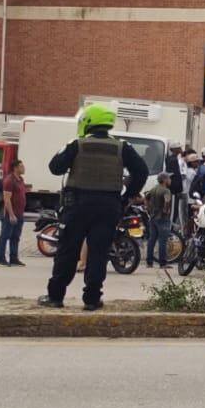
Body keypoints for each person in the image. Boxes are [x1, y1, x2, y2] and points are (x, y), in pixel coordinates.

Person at [39, 104, 150, 310]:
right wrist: (127, 197)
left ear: (87, 122)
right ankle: (91, 299)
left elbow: (55, 168)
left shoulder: (77, 144)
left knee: (67, 251)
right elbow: (142, 171)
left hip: (77, 206)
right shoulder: (122, 147)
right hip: (108, 207)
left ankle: (55, 296)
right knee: (99, 253)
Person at [0, 159, 28, 267]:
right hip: (10, 214)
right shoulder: (9, 180)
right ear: (15, 168)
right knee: (5, 236)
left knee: (15, 237)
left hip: (19, 213)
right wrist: (11, 214)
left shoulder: (20, 179)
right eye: (21, 166)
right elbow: (7, 199)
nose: (23, 168)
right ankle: (1, 259)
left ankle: (14, 258)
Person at [144, 172, 174, 269]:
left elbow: (146, 198)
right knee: (162, 241)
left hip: (153, 217)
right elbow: (167, 201)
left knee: (151, 240)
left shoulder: (154, 188)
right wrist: (166, 209)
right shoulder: (166, 190)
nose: (170, 180)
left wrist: (148, 209)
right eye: (169, 178)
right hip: (162, 218)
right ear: (164, 180)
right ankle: (163, 263)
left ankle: (149, 262)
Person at [165, 142, 187, 227]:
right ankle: (170, 228)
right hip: (173, 190)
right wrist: (177, 189)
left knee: (174, 210)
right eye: (179, 148)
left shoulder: (173, 159)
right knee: (173, 211)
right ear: (174, 149)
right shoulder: (173, 160)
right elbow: (173, 175)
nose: (181, 149)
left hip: (173, 189)